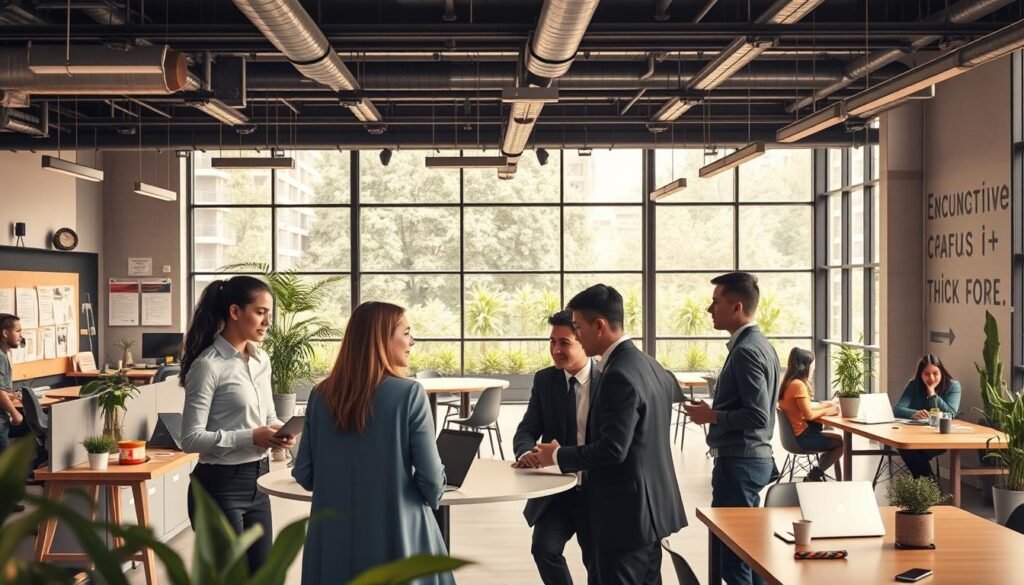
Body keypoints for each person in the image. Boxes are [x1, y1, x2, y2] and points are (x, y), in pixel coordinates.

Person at [532, 285, 686, 585]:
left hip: (623, 516)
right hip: (651, 512)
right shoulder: (651, 365)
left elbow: (614, 449)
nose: (577, 334)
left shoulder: (617, 374)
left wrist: (557, 455)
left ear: (599, 326)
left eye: (578, 327)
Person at [293, 301, 453, 585]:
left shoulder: (319, 395)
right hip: (399, 536)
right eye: (406, 333)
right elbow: (431, 481)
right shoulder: (410, 394)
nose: (412, 341)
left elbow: (305, 474)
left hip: (331, 541)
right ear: (383, 338)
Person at [180, 276, 293, 574]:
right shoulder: (207, 366)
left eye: (269, 313)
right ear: (234, 312)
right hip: (219, 487)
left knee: (262, 576)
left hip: (259, 483)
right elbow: (189, 439)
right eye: (260, 312)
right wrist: (251, 437)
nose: (268, 321)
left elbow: (268, 415)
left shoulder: (261, 360)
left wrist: (279, 431)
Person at [684, 272, 780, 585]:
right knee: (749, 556)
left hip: (741, 462)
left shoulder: (747, 351)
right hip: (748, 460)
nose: (709, 310)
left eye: (715, 302)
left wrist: (713, 416)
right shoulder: (759, 345)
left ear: (736, 306)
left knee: (734, 559)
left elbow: (757, 416)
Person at [512, 310, 599, 585]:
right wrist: (526, 452)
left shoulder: (609, 381)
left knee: (597, 564)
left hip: (597, 491)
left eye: (564, 343)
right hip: (557, 490)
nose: (556, 350)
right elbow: (527, 428)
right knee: (544, 549)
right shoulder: (545, 380)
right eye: (552, 342)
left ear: (583, 342)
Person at [777, 348, 843, 482]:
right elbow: (809, 415)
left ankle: (816, 473)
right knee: (840, 444)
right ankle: (814, 475)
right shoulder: (798, 385)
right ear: (805, 366)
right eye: (811, 364)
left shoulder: (789, 383)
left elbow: (806, 408)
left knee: (832, 436)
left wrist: (828, 404)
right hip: (802, 438)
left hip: (794, 436)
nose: (813, 367)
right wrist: (827, 411)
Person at [893, 354, 962, 478]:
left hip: (939, 439)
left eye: (935, 373)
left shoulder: (954, 386)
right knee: (906, 447)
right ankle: (929, 485)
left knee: (910, 450)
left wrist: (932, 394)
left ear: (942, 371)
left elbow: (950, 414)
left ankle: (926, 485)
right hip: (915, 436)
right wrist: (913, 413)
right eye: (926, 374)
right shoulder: (913, 384)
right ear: (920, 374)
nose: (931, 378)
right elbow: (897, 410)